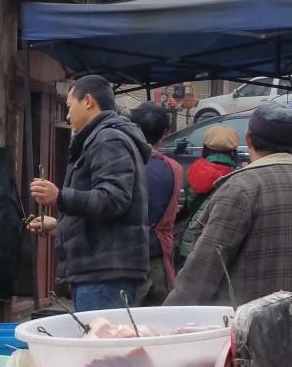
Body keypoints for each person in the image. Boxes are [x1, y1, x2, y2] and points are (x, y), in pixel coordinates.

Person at [166, 105, 292, 306]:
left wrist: (172, 313)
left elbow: (203, 269)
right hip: (284, 318)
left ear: (248, 138)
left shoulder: (241, 188)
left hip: (235, 320)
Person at [28, 75, 151, 310]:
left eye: (69, 106)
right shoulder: (100, 138)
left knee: (100, 335)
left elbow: (114, 199)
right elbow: (102, 211)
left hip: (105, 274)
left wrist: (59, 196)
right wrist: (59, 226)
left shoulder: (108, 139)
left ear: (87, 101)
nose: (67, 116)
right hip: (101, 271)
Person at [129, 103, 183, 306]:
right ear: (166, 132)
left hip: (124, 259)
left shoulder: (121, 162)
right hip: (158, 257)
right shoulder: (173, 168)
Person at [174, 125, 239, 268]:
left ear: (205, 148)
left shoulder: (193, 170)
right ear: (233, 151)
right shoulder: (237, 176)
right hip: (218, 248)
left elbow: (183, 206)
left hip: (189, 243)